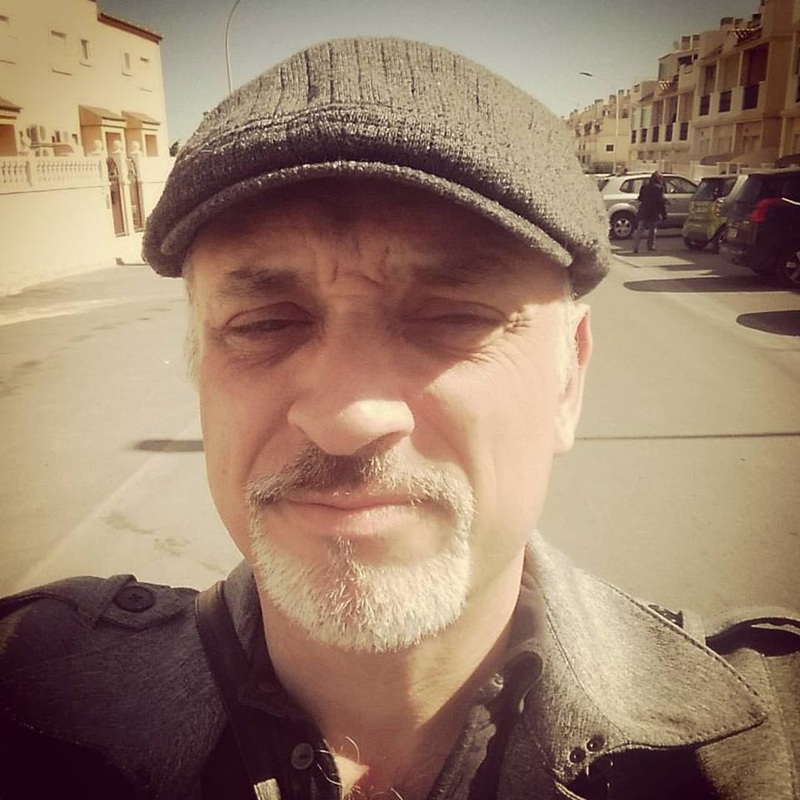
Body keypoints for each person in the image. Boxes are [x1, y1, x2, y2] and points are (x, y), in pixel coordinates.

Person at [1, 37, 798, 800]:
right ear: (200, 373)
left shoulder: (773, 740)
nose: (348, 419)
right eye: (265, 323)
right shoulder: (30, 689)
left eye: (453, 317)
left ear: (569, 378)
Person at [632, 170, 668, 253]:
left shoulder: (644, 186)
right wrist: (664, 214)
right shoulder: (659, 188)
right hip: (654, 212)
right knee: (652, 230)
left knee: (640, 230)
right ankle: (650, 246)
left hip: (644, 210)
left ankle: (635, 247)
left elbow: (640, 198)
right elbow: (660, 202)